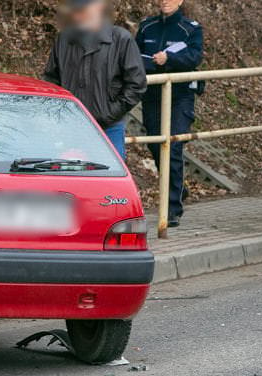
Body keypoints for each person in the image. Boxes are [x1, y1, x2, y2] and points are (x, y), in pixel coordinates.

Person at [43, 0, 146, 159]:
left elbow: (136, 84)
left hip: (109, 127)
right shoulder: (64, 39)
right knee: (71, 177)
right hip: (71, 128)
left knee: (110, 177)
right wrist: (61, 114)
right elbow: (51, 81)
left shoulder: (121, 39)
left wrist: (108, 114)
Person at [136, 0, 203, 227]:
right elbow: (133, 57)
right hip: (153, 96)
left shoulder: (190, 28)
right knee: (156, 146)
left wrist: (170, 59)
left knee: (172, 145)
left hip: (179, 96)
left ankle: (172, 208)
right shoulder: (147, 27)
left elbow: (194, 57)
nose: (165, 1)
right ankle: (179, 188)